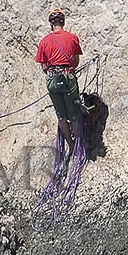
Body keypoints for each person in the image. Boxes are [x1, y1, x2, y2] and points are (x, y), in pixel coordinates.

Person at [35, 8, 85, 153]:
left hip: (52, 80)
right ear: (63, 22)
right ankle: (79, 145)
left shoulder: (44, 41)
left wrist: (53, 72)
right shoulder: (72, 38)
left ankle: (70, 144)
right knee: (74, 114)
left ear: (51, 24)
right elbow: (75, 61)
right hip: (68, 78)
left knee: (61, 116)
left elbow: (44, 66)